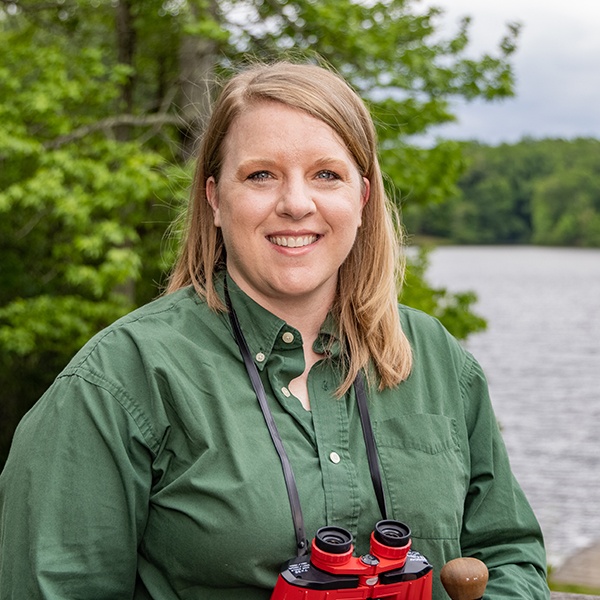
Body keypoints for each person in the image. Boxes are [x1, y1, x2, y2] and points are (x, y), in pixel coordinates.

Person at [0, 61, 550, 600]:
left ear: (361, 198)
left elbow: (510, 554)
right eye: (261, 175)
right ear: (216, 199)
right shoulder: (118, 381)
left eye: (326, 175)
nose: (295, 203)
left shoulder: (436, 358)